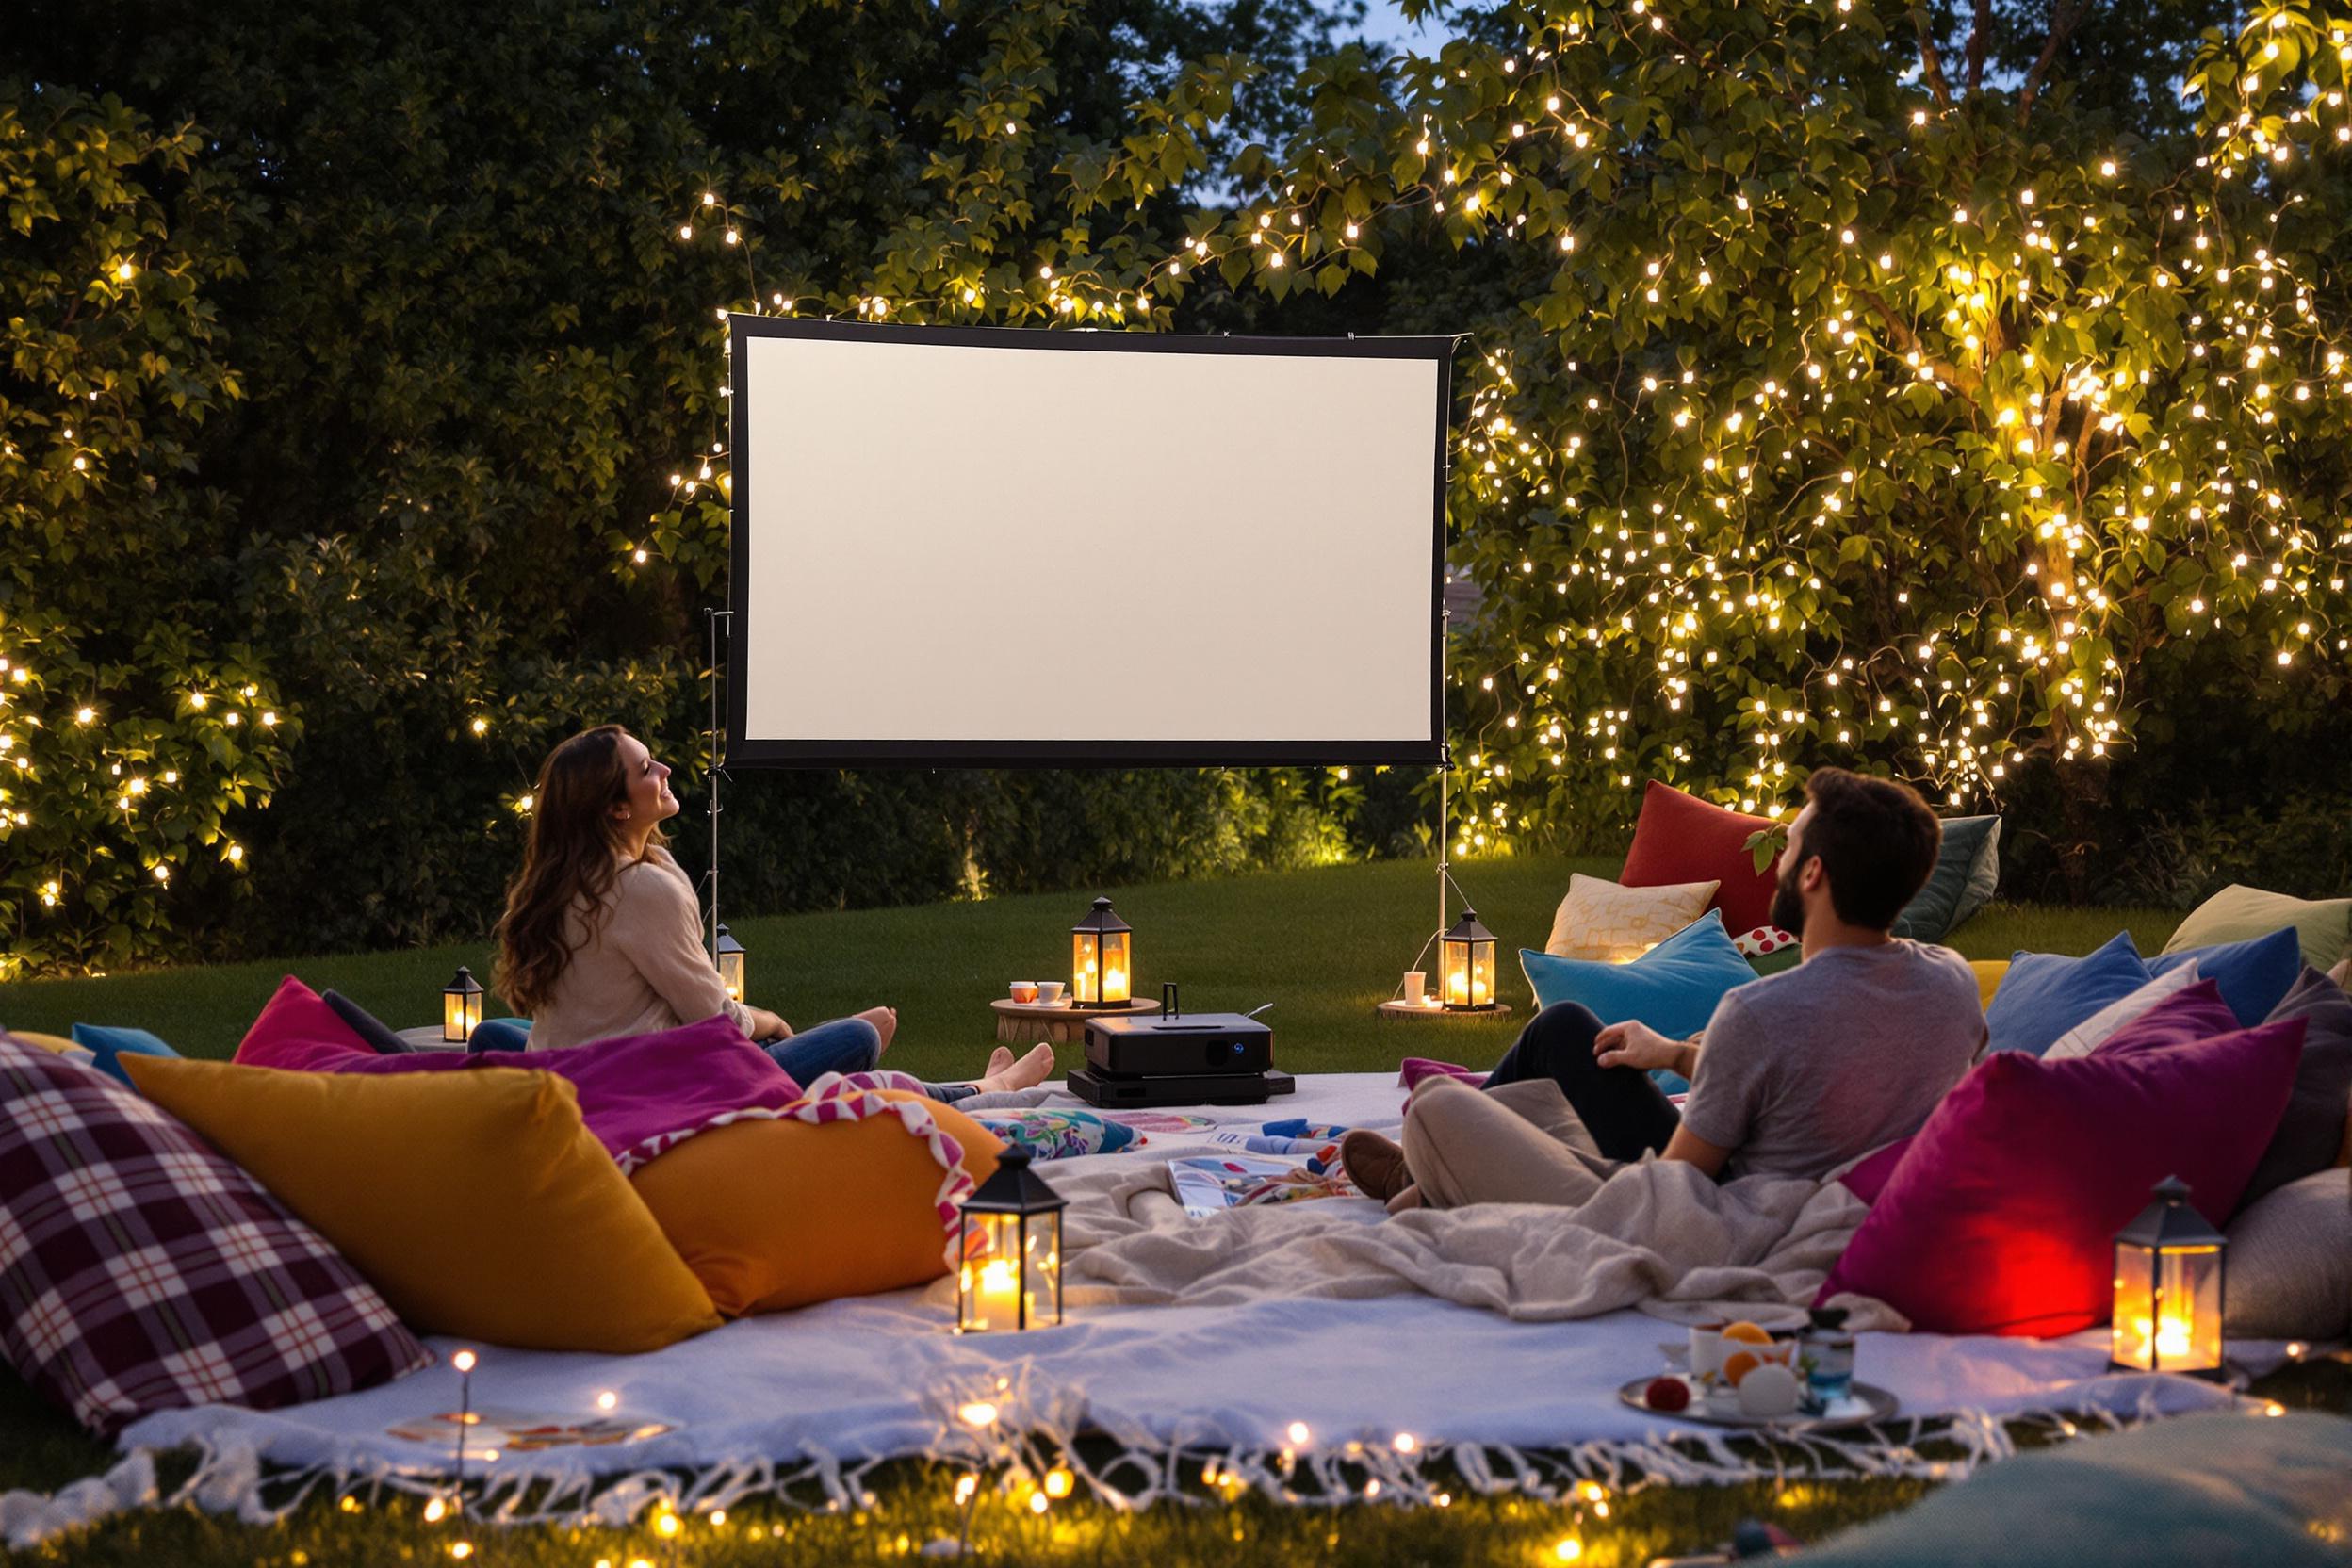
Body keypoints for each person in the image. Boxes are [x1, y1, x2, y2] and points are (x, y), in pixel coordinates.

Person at [1342, 767, 1987, 1210]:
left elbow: (1677, 1188)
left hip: (1730, 1199)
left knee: (1463, 1094)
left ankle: (1424, 1174)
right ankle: (1427, 1175)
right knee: (1570, 1031)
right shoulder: (1952, 984)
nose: (1778, 865)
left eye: (1786, 849)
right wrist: (1674, 1054)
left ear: (1813, 873)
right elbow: (1828, 1065)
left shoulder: (1758, 1012)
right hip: (1837, 1181)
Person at [480, 725, 1055, 1100]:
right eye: (647, 768)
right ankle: (982, 1090)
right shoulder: (640, 889)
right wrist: (776, 1022)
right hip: (651, 1088)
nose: (666, 772)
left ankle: (974, 1082)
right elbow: (717, 1023)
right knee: (854, 1039)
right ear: (613, 808)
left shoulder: (559, 881)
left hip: (574, 1077)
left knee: (493, 1031)